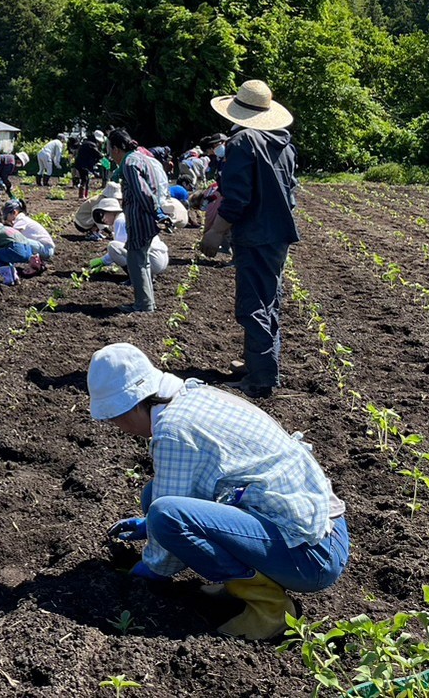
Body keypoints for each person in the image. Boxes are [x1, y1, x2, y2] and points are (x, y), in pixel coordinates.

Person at [87, 343, 350, 641]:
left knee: (164, 513)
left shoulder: (174, 430)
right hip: (320, 529)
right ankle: (238, 582)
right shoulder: (192, 396)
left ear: (131, 406)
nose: (118, 428)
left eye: (114, 419)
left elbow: (166, 545)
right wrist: (150, 526)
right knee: (154, 500)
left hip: (313, 555)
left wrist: (145, 573)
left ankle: (271, 609)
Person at [200, 81, 299, 398]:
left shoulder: (243, 142)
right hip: (277, 235)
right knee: (268, 300)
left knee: (253, 304)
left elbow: (237, 197)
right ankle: (259, 363)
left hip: (255, 234)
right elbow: (291, 192)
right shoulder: (283, 143)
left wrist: (216, 231)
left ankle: (259, 379)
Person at [107, 128, 170, 314]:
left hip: (140, 219)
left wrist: (156, 213)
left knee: (136, 263)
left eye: (110, 151)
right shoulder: (139, 158)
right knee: (142, 261)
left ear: (117, 149)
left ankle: (143, 305)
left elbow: (143, 192)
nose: (111, 156)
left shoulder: (130, 164)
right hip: (144, 218)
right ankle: (146, 303)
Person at [87, 197, 169, 278]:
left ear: (112, 212)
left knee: (112, 246)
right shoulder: (127, 217)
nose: (103, 219)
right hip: (161, 258)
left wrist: (103, 261)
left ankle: (137, 277)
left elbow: (120, 248)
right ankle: (145, 276)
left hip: (153, 259)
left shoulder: (119, 221)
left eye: (103, 214)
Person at [0, 220, 40, 286]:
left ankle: (9, 279)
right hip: (28, 252)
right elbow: (1, 258)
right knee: (4, 256)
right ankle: (15, 278)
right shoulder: (9, 229)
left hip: (17, 249)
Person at [72, 132, 103, 200]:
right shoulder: (91, 145)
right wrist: (103, 159)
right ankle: (82, 195)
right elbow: (98, 154)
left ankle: (84, 194)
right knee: (85, 179)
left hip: (80, 163)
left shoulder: (86, 143)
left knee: (85, 179)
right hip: (83, 164)